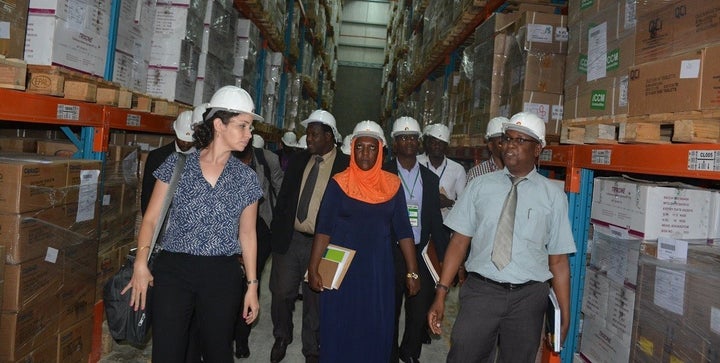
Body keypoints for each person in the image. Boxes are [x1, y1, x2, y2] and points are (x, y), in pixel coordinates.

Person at [123, 85, 264, 362]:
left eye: (250, 127)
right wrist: (140, 264)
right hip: (174, 271)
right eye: (243, 125)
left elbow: (248, 234)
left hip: (221, 275)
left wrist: (252, 286)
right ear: (218, 125)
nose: (249, 134)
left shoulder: (246, 178)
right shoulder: (177, 165)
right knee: (168, 352)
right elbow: (150, 219)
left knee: (217, 351)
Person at [427, 112, 576, 362]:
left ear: (537, 149)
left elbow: (559, 261)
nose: (509, 146)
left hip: (528, 299)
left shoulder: (553, 197)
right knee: (463, 355)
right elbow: (459, 242)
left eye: (520, 140)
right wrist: (440, 293)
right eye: (507, 139)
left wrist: (564, 312)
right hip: (481, 292)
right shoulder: (479, 186)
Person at [307, 120, 420, 363]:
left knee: (374, 325)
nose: (365, 153)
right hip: (342, 271)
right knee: (339, 325)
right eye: (360, 147)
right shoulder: (339, 183)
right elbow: (324, 228)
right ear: (352, 148)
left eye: (371, 148)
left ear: (380, 151)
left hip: (378, 270)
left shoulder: (392, 185)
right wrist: (313, 266)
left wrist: (412, 271)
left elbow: (404, 231)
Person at [269, 110, 350, 363]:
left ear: (329, 137)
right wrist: (276, 231)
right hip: (291, 239)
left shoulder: (345, 166)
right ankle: (282, 335)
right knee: (281, 292)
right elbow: (284, 198)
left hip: (324, 243)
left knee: (315, 298)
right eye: (308, 134)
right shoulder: (298, 160)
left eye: (314, 134)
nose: (308, 139)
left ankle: (311, 348)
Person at [383, 116, 449, 363]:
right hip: (390, 252)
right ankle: (388, 354)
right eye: (403, 138)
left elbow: (435, 220)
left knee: (419, 308)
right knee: (389, 308)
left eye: (413, 137)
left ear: (419, 142)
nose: (409, 142)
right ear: (395, 142)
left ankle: (409, 352)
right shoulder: (383, 173)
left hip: (421, 253)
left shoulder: (430, 179)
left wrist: (443, 260)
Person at [233, 133, 284, 358]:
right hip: (230, 227)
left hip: (260, 227)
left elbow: (281, 192)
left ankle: (241, 338)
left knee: (250, 281)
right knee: (228, 284)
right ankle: (226, 332)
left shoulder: (267, 159)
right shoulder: (225, 157)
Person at [140, 108, 201, 215]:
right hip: (163, 219)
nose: (185, 144)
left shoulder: (203, 160)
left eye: (189, 141)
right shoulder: (157, 157)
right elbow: (147, 193)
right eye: (182, 139)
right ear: (175, 132)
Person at [417, 123, 467, 220]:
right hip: (421, 223)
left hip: (445, 225)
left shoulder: (457, 169)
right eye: (433, 142)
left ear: (447, 146)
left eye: (441, 143)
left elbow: (464, 204)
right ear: (428, 144)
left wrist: (449, 203)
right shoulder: (417, 164)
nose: (437, 146)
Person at [466, 116, 508, 182]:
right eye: (501, 143)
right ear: (490, 146)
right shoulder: (476, 174)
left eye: (508, 140)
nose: (506, 146)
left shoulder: (519, 172)